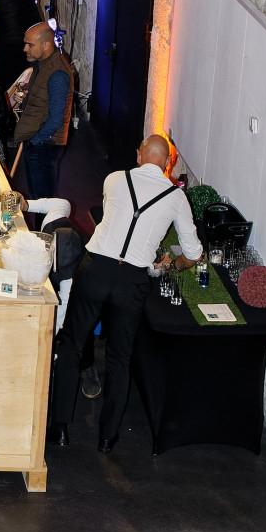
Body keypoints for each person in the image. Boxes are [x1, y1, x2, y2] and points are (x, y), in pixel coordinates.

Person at [49, 135, 202, 454]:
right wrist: (172, 262)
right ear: (169, 163)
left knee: (73, 344)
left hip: (95, 269)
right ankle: (107, 438)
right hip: (132, 281)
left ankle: (60, 427)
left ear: (138, 155)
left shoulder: (114, 180)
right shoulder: (176, 197)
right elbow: (193, 253)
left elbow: (115, 218)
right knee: (120, 358)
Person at [13, 23, 74, 198]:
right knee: (37, 196)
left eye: (30, 44)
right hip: (40, 143)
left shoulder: (57, 74)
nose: (25, 49)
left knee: (42, 200)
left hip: (45, 146)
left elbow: (57, 118)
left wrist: (36, 140)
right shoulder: (45, 65)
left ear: (46, 45)